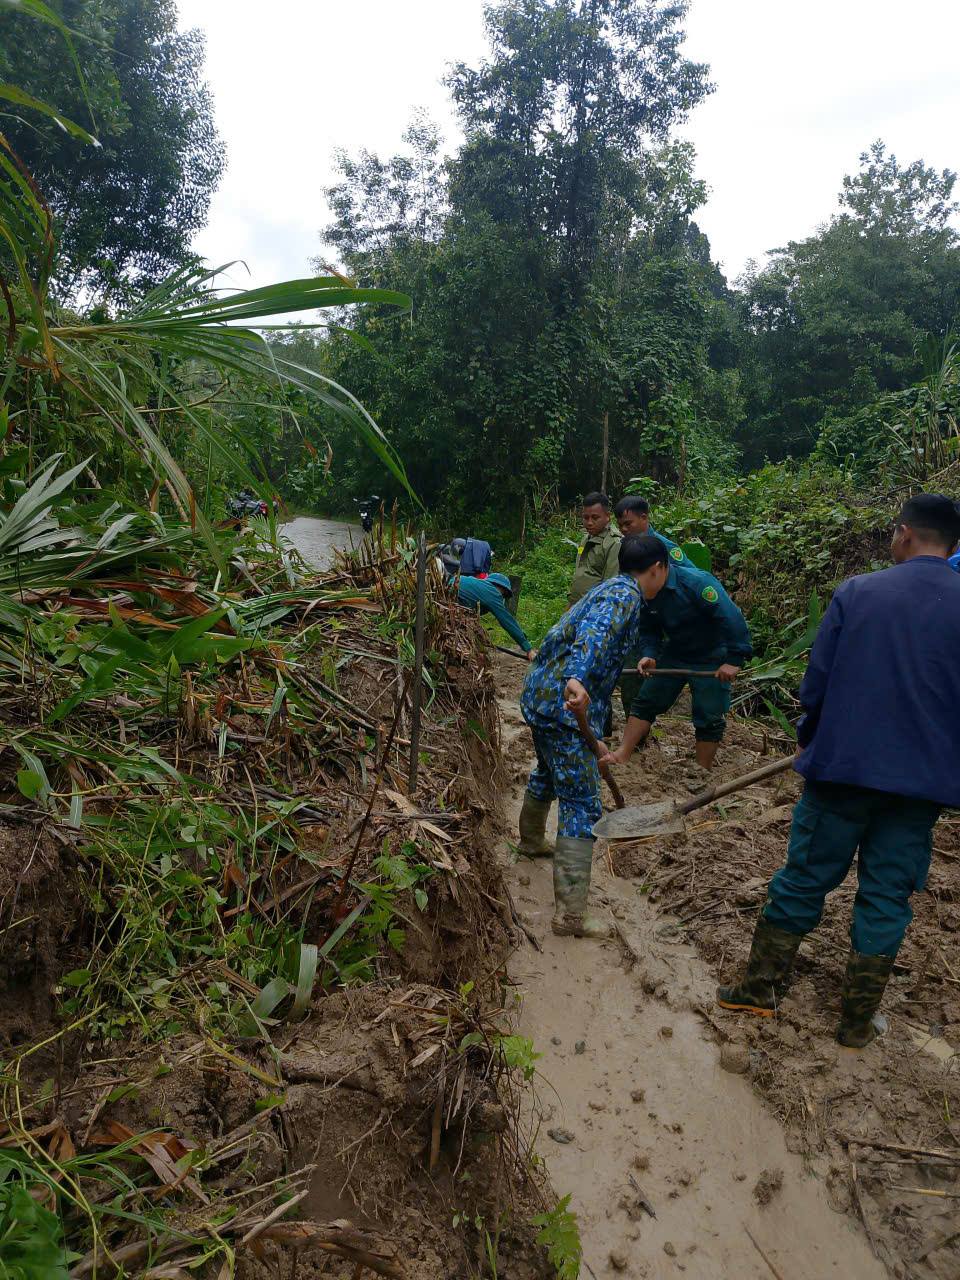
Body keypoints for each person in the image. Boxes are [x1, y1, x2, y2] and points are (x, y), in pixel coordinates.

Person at [716, 493, 960, 1049]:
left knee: (805, 876)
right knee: (887, 895)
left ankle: (758, 990)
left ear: (902, 534)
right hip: (920, 788)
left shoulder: (858, 592)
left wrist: (813, 743)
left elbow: (815, 687)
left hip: (843, 771)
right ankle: (855, 1023)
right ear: (953, 545)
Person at [518, 535, 655, 938]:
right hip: (564, 705)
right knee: (581, 800)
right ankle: (571, 917)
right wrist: (577, 677)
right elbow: (593, 637)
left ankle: (529, 841)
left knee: (547, 770)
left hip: (540, 698)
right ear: (657, 568)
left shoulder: (608, 587)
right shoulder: (624, 596)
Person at [600, 537, 753, 791]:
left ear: (658, 568)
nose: (635, 586)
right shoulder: (645, 593)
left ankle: (701, 772)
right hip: (676, 652)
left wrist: (734, 660)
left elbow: (732, 618)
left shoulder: (698, 584)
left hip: (711, 656)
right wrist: (649, 653)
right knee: (647, 700)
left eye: (639, 578)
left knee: (708, 715)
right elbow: (648, 628)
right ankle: (623, 754)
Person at [614, 496, 692, 717]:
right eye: (620, 525)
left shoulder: (666, 549)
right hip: (633, 625)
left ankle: (639, 732)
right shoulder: (625, 548)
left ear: (644, 518)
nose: (624, 529)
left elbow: (690, 579)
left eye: (628, 524)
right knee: (628, 676)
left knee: (641, 678)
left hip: (658, 626)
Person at [454, 571, 535, 659]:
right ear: (502, 588)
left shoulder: (476, 583)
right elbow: (507, 621)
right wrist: (528, 649)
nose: (502, 597)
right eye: (504, 594)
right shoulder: (493, 593)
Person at [569, 492, 622, 605]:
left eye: (595, 517)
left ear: (607, 516)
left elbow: (610, 585)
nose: (589, 523)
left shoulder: (614, 543)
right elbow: (580, 572)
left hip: (594, 609)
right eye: (585, 517)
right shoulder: (585, 539)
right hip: (576, 605)